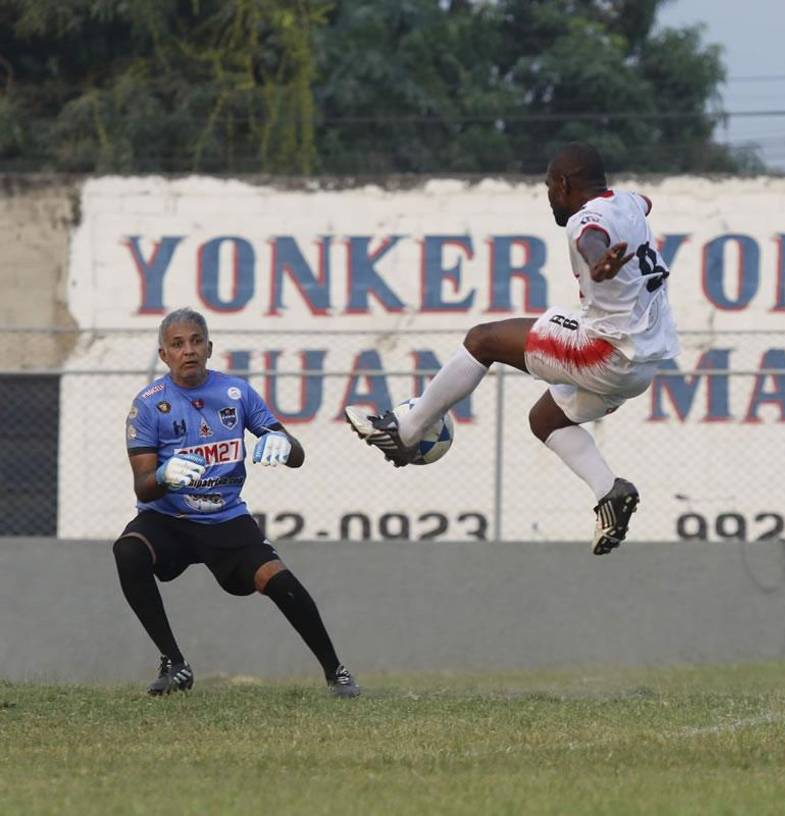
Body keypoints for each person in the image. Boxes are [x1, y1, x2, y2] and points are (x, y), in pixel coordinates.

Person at [345, 142, 680, 555]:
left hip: (602, 351)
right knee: (545, 420)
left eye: (548, 189)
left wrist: (598, 262)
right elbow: (644, 204)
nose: (550, 200)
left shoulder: (584, 219)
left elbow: (592, 236)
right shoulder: (628, 203)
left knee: (482, 340)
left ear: (564, 184)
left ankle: (406, 431)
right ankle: (610, 492)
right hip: (643, 365)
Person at [117, 308, 359, 697]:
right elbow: (143, 487)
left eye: (196, 341)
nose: (188, 351)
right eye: (177, 344)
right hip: (168, 518)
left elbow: (295, 455)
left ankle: (337, 672)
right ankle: (174, 663)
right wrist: (162, 476)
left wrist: (284, 442)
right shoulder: (148, 404)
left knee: (278, 580)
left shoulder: (236, 392)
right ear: (164, 355)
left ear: (209, 347)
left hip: (225, 518)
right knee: (128, 551)